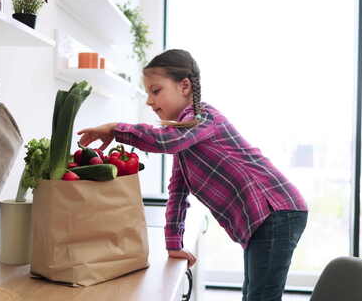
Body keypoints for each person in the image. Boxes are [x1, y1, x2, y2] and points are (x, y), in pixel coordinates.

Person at [77, 49, 308, 301]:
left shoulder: (204, 117)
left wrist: (115, 129)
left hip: (276, 209)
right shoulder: (184, 140)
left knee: (261, 296)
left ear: (184, 86)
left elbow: (167, 142)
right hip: (266, 218)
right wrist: (173, 243)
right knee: (254, 294)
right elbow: (177, 191)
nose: (149, 101)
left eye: (156, 91)